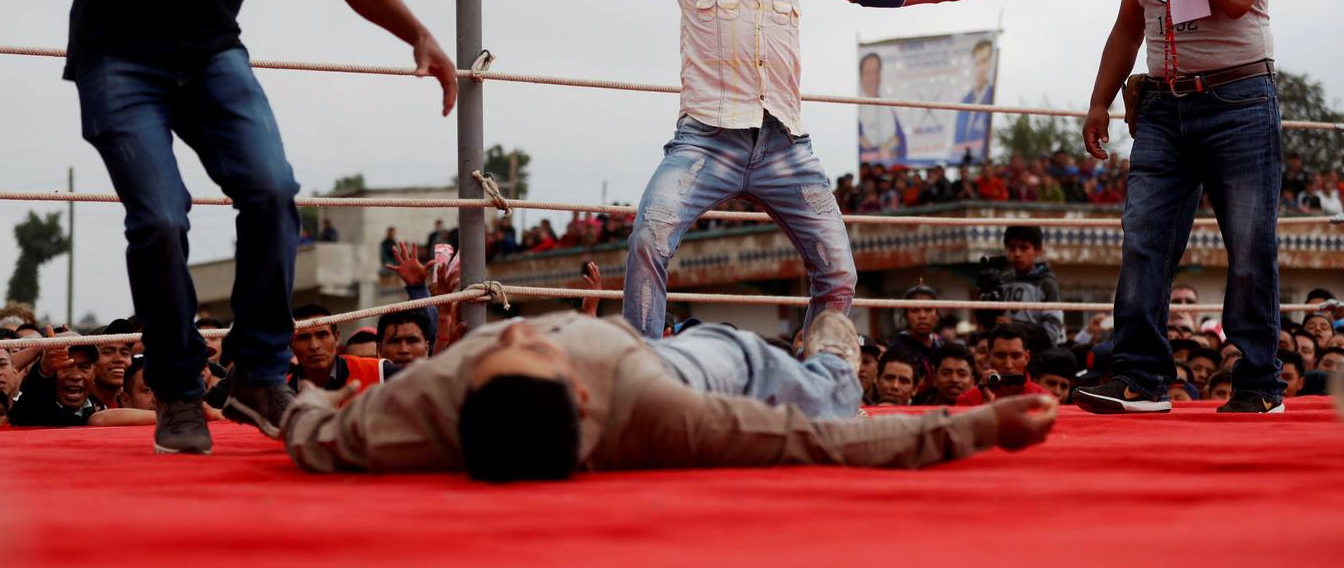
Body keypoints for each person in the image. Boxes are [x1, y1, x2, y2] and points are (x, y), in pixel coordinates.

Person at [64, 0, 459, 455]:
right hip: (118, 53)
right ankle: (179, 391)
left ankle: (258, 374)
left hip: (212, 53)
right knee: (159, 217)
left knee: (274, 191)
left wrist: (418, 33)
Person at [456, 0, 989, 340]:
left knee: (839, 272)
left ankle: (819, 384)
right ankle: (647, 376)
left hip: (785, 144)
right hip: (706, 142)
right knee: (647, 241)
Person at [283, 310, 1054, 479]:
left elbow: (302, 428)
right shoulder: (656, 418)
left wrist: (315, 400)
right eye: (532, 351)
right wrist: (979, 425)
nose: (515, 331)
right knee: (824, 398)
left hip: (644, 350)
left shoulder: (407, 415)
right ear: (582, 403)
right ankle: (832, 353)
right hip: (696, 364)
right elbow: (817, 445)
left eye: (493, 350)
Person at [1077, 0, 1284, 416]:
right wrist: (1099, 99)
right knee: (1143, 237)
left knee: (1249, 244)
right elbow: (1128, 25)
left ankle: (1258, 383)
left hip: (1238, 100)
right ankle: (1141, 379)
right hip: (1165, 104)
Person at [985, 225, 1064, 346]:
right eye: (1012, 248)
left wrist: (1014, 327)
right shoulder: (1003, 280)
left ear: (1038, 250)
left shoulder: (1046, 284)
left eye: (1024, 248)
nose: (1017, 254)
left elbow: (1052, 331)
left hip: (1037, 356)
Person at [955, 325, 1048, 405]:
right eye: (1000, 356)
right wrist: (985, 404)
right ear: (988, 357)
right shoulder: (968, 399)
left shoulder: (1045, 400)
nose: (1008, 365)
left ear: (1027, 358)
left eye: (1016, 356)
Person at [857, 52, 907, 164]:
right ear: (861, 77)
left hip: (892, 169)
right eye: (869, 73)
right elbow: (860, 150)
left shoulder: (888, 106)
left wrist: (882, 149)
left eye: (876, 72)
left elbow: (902, 144)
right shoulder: (857, 110)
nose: (873, 78)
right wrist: (886, 148)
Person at [952, 38, 995, 162]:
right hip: (964, 159)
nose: (981, 69)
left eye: (984, 61)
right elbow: (958, 140)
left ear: (992, 62)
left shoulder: (991, 96)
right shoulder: (963, 102)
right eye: (977, 63)